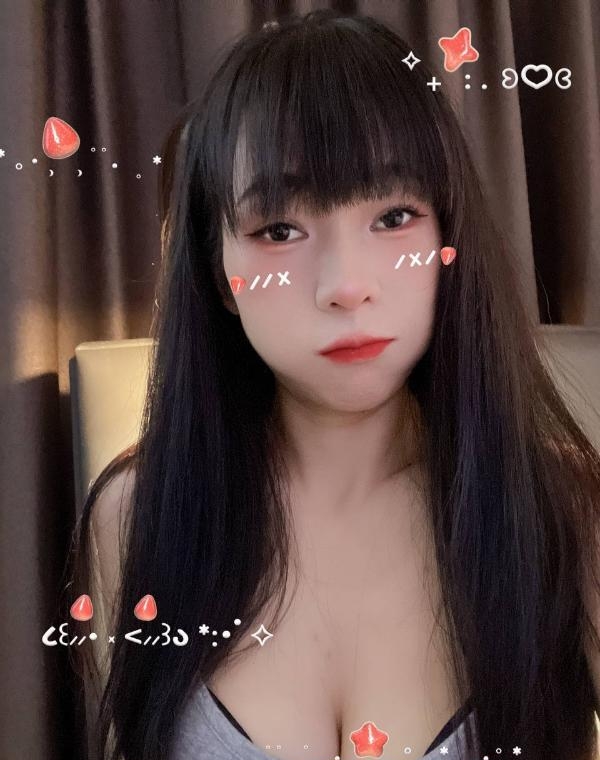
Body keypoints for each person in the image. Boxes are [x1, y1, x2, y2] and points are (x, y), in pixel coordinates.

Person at [64, 9, 600, 760]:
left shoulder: (562, 511)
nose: (346, 286)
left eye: (395, 216)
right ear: (218, 272)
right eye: (279, 231)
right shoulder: (133, 517)